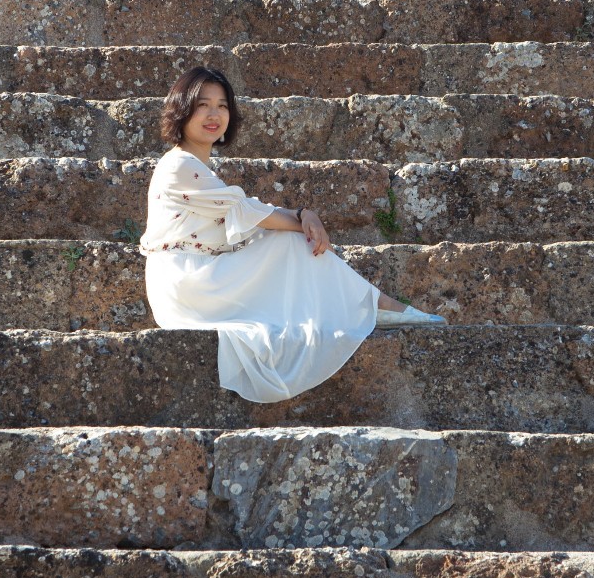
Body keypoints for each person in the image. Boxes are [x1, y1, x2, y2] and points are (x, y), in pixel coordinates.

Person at [141, 66, 444, 404]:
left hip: (196, 278)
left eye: (223, 106)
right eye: (203, 105)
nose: (214, 115)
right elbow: (247, 211)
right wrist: (302, 218)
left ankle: (373, 305)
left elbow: (246, 210)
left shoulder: (194, 166)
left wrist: (302, 216)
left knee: (283, 240)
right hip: (187, 285)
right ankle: (378, 306)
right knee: (287, 241)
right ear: (182, 108)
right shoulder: (180, 165)